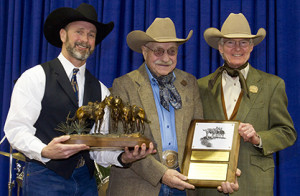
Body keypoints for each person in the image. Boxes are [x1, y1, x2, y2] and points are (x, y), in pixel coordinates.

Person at [4, 3, 155, 195]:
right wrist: (44, 150)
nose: (85, 39)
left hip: (86, 181)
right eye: (79, 32)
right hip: (44, 177)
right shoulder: (35, 77)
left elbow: (98, 147)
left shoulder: (101, 90)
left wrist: (123, 158)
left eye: (91, 35)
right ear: (63, 35)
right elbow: (16, 129)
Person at [106, 17, 240, 196]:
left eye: (172, 51)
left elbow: (199, 135)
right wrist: (161, 174)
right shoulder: (124, 85)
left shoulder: (189, 82)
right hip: (138, 186)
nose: (166, 58)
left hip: (181, 184)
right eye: (158, 51)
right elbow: (124, 140)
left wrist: (221, 170)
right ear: (144, 51)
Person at [197, 13, 297, 196]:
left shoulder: (272, 85)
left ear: (251, 47)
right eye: (230, 42)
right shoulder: (201, 86)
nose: (237, 48)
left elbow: (287, 133)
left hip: (254, 185)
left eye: (243, 42)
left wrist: (258, 137)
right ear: (220, 47)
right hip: (210, 185)